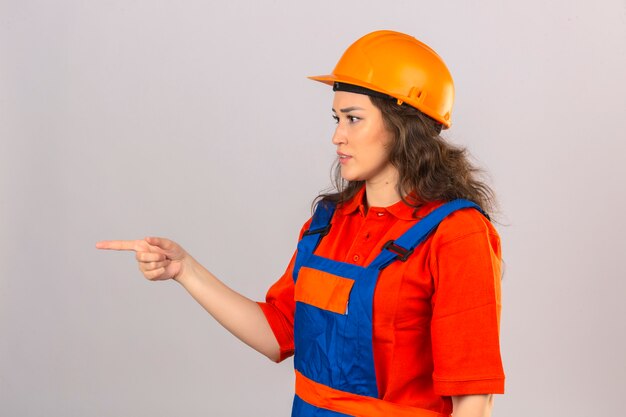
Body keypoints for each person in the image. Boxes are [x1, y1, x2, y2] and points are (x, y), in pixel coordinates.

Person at [97, 30, 505, 417]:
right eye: (335, 119)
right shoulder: (330, 222)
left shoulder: (456, 234)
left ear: (405, 126)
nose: (337, 137)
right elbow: (278, 332)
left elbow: (473, 401)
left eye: (353, 118)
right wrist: (185, 269)